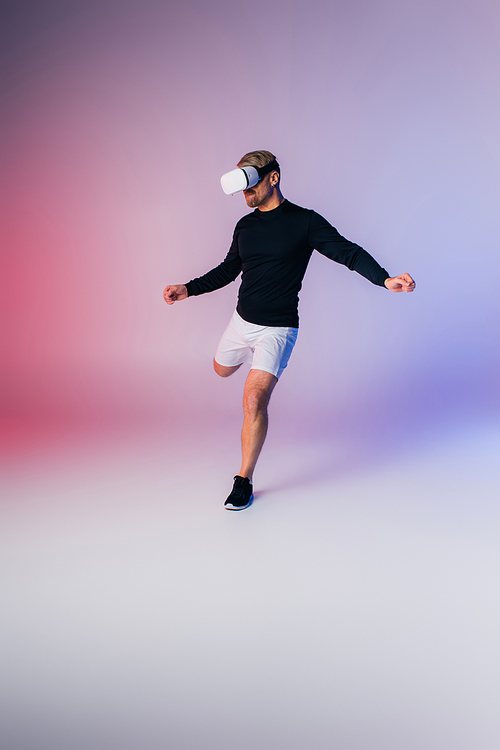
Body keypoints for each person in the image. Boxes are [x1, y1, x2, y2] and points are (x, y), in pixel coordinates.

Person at [163, 150, 415, 511]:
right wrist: (188, 288)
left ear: (273, 178)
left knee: (253, 399)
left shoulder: (305, 222)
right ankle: (240, 361)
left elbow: (350, 253)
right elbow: (227, 270)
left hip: (277, 330)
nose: (245, 194)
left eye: (250, 183)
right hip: (241, 322)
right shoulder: (245, 227)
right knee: (220, 369)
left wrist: (385, 279)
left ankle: (243, 480)